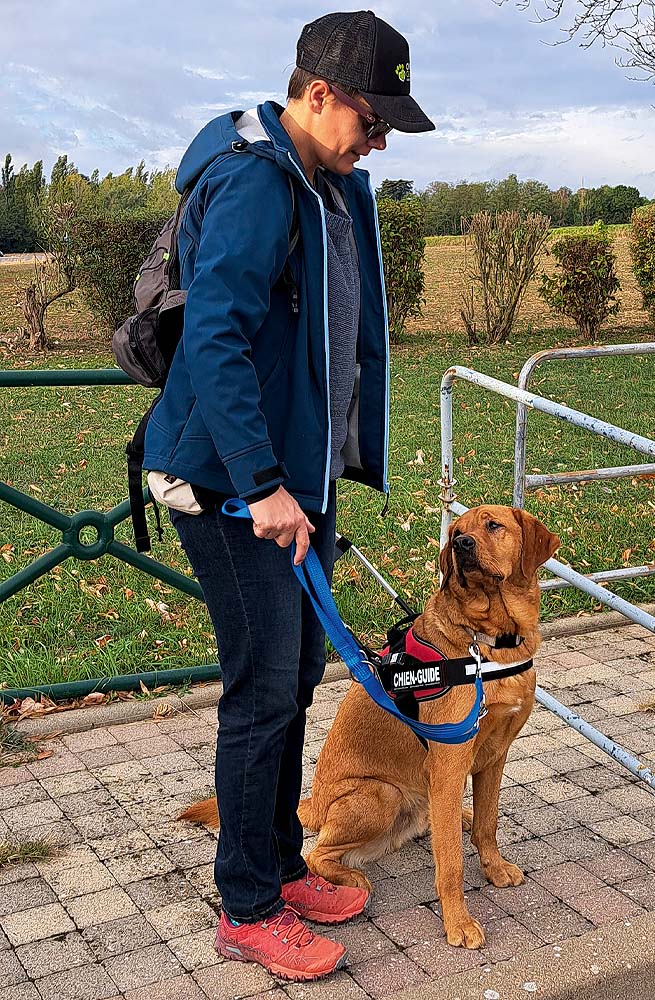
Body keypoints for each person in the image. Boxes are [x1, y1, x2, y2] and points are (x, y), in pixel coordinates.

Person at [142, 9, 434, 984]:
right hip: (227, 485)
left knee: (297, 668)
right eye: (371, 118)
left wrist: (305, 482)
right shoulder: (256, 183)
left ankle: (273, 859)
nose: (380, 141)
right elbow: (217, 336)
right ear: (317, 94)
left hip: (286, 488)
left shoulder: (321, 180)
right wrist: (266, 487)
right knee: (261, 684)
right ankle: (247, 905)